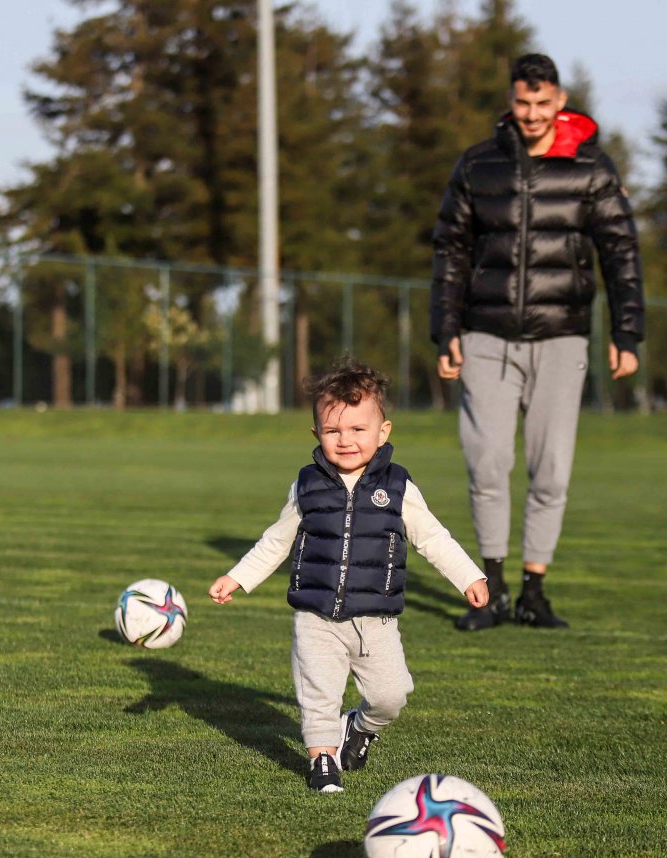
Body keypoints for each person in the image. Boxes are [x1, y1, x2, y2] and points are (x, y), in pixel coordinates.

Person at [430, 53, 644, 631]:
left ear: (559, 100)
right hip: (485, 335)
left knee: (550, 470)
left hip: (562, 337)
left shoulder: (591, 167)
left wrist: (628, 331)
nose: (531, 114)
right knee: (489, 464)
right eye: (522, 103)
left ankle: (534, 592)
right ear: (511, 100)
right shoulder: (478, 165)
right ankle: (492, 592)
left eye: (542, 104)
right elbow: (450, 250)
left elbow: (620, 251)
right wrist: (444, 329)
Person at [208, 359, 488, 794]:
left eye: (359, 430)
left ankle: (359, 727)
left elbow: (432, 537)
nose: (346, 441)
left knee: (390, 697)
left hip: (375, 619)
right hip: (316, 616)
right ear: (316, 433)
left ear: (383, 431)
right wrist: (238, 577)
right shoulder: (307, 485)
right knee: (319, 695)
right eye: (334, 431)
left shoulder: (397, 487)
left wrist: (470, 577)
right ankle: (323, 761)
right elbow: (276, 541)